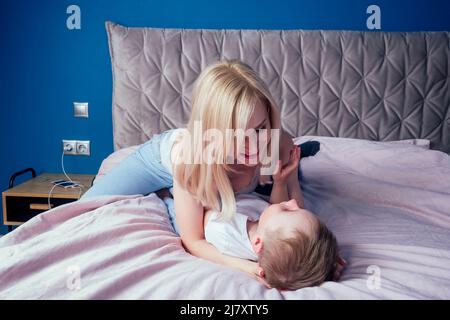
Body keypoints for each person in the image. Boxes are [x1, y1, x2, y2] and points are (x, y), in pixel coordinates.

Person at [82, 59, 336, 284]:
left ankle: (301, 153)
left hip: (213, 178)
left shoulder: (276, 143)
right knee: (86, 206)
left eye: (259, 128)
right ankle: (173, 192)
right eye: (236, 135)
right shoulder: (191, 157)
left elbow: (290, 212)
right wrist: (248, 267)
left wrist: (315, 258)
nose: (253, 146)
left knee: (285, 168)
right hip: (167, 160)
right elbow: (193, 241)